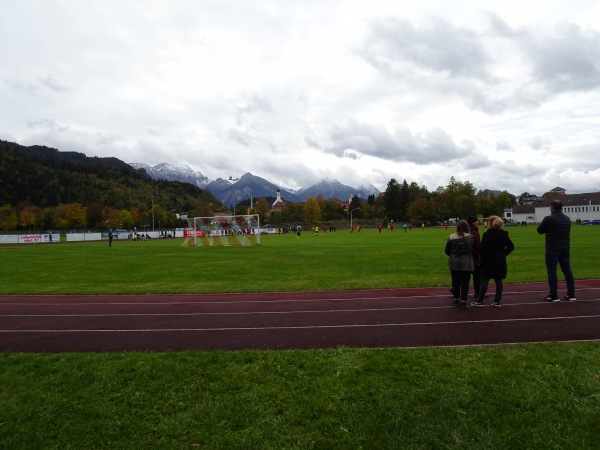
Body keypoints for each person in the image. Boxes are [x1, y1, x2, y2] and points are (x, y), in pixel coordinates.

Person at [537, 199, 576, 301]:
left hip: (552, 248)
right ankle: (571, 294)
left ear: (552, 208)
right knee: (567, 271)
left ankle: (554, 295)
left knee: (552, 271)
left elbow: (539, 230)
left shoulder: (548, 219)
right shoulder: (567, 219)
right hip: (565, 248)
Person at [472, 218, 514, 307]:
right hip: (500, 260)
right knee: (499, 281)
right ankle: (497, 301)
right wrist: (503, 254)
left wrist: (482, 259)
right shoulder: (504, 234)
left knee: (484, 280)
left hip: (488, 260)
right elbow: (511, 247)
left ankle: (479, 300)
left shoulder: (487, 234)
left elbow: (482, 249)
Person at [445, 220, 474, 308]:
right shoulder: (470, 238)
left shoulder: (451, 238)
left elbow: (447, 251)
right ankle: (463, 300)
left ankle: (456, 299)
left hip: (454, 261)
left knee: (455, 282)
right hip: (466, 262)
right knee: (465, 282)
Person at [467, 217, 482, 299]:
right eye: (476, 221)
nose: (478, 222)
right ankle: (478, 292)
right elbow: (477, 246)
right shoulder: (474, 231)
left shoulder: (468, 229)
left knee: (465, 275)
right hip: (474, 257)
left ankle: (456, 290)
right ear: (473, 222)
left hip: (467, 257)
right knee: (477, 276)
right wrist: (478, 256)